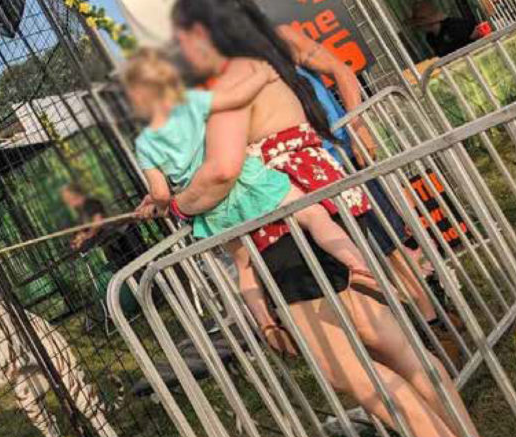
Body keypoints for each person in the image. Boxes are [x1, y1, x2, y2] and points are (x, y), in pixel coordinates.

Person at [164, 1, 516, 437]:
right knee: (398, 357)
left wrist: (179, 207)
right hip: (327, 207)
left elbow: (220, 172)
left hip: (290, 229)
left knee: (356, 377)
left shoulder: (229, 80)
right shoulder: (261, 61)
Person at [125, 48, 379, 334]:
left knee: (243, 264)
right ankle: (359, 268)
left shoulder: (144, 144)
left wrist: (162, 203)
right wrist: (261, 78)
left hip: (212, 209)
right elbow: (237, 98)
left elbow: (160, 193)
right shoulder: (195, 103)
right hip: (247, 182)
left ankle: (266, 324)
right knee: (313, 215)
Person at [277, 24, 457, 365]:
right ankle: (406, 341)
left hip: (341, 157)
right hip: (304, 184)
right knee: (355, 264)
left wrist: (357, 126)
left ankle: (436, 326)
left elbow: (342, 71)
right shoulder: (231, 71)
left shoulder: (281, 37)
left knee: (390, 244)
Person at [60, 183, 144, 270]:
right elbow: (85, 230)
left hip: (124, 233)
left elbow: (98, 222)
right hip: (112, 241)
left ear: (74, 194)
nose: (66, 201)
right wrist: (80, 239)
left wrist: (88, 235)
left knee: (141, 261)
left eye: (66, 197)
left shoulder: (89, 203)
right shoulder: (82, 213)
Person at [409, 1, 484, 58]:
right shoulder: (430, 38)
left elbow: (475, 38)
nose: (418, 28)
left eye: (419, 25)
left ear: (428, 23)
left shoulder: (455, 26)